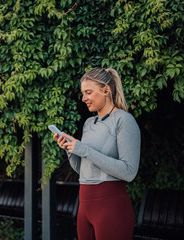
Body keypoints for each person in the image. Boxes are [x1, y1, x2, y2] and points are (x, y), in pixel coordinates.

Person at [53, 67, 140, 240]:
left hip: (111, 207)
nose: (84, 98)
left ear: (106, 90)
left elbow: (129, 172)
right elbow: (85, 171)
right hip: (84, 207)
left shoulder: (124, 120)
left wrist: (84, 150)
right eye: (83, 93)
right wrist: (71, 150)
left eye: (88, 92)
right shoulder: (89, 123)